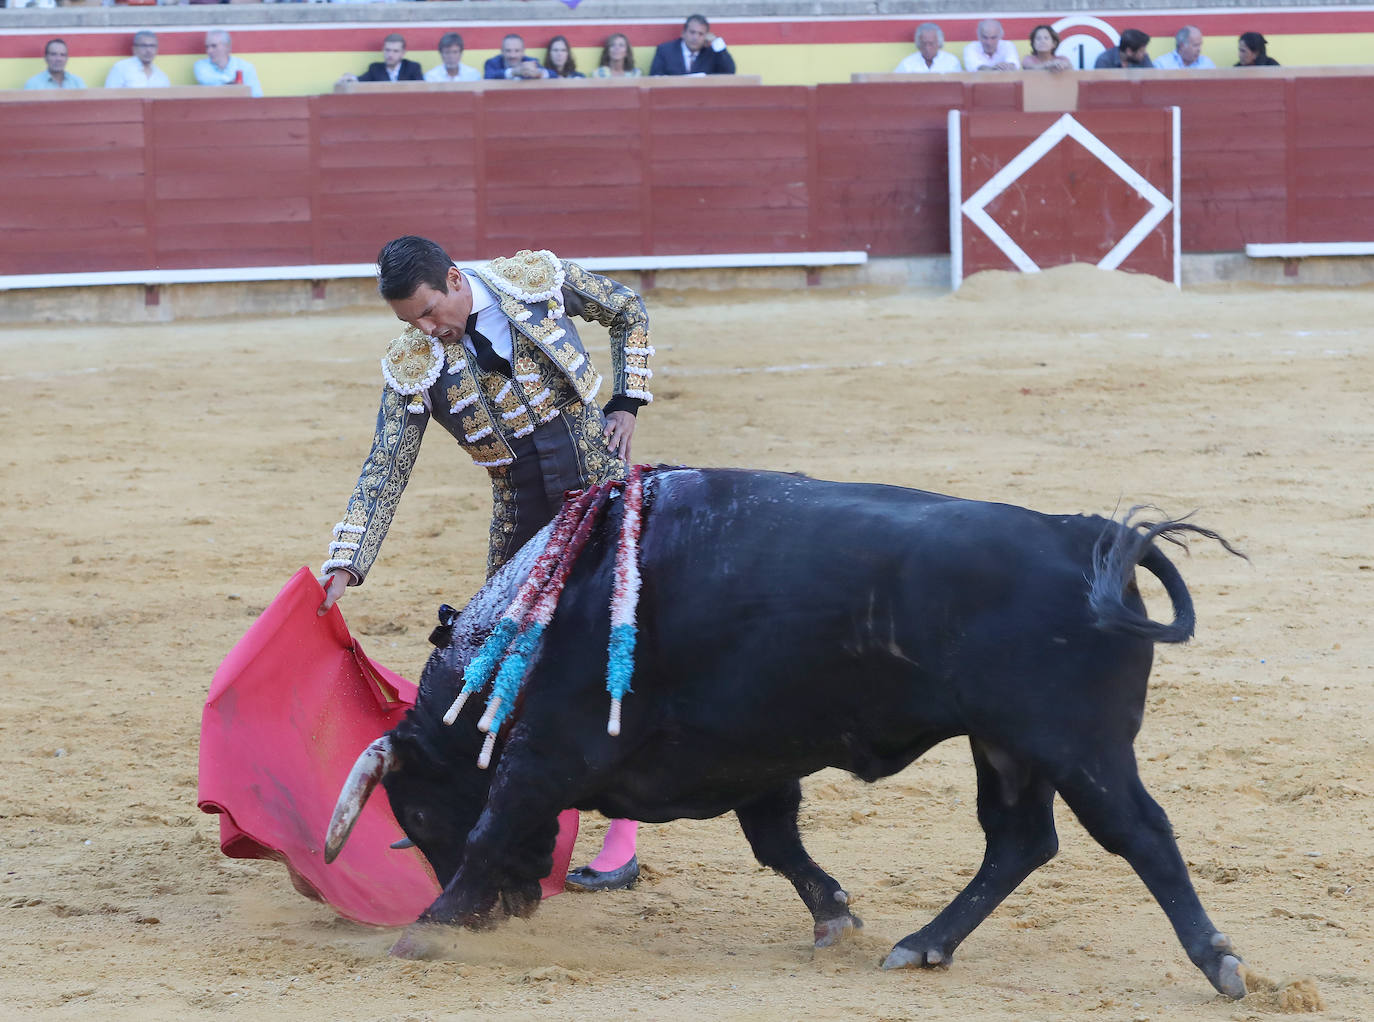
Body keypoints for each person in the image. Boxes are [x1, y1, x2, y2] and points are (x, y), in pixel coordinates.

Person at [317, 237, 654, 890]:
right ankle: (495, 812)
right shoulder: (415, 361)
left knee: (619, 646)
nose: (424, 330)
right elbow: (386, 465)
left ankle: (624, 833)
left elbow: (627, 309)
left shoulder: (532, 281)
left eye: (427, 313)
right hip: (521, 509)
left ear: (453, 280)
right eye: (409, 322)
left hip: (598, 483)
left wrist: (627, 401)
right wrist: (348, 561)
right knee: (504, 663)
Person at [649, 14, 736, 76]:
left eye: (700, 34)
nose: (695, 37)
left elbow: (729, 72)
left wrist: (716, 42)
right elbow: (655, 77)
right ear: (683, 33)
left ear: (706, 36)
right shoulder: (665, 51)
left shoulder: (711, 53)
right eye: (692, 32)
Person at [194, 30, 264, 97]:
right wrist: (232, 84)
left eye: (214, 46)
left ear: (227, 46)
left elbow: (256, 95)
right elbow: (206, 81)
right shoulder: (201, 66)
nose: (209, 51)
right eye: (207, 47)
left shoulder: (245, 67)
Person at [339, 34, 424, 85]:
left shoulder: (413, 68)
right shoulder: (375, 68)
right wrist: (350, 78)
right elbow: (361, 81)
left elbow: (422, 89)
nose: (390, 55)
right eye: (387, 50)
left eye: (395, 51)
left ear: (403, 53)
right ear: (382, 50)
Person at [104, 31, 170, 89]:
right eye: (143, 46)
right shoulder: (121, 68)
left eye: (152, 46)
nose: (148, 50)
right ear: (134, 49)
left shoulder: (161, 76)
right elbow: (109, 98)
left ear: (157, 49)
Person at [893, 23, 961, 74]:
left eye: (931, 44)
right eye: (924, 44)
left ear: (939, 43)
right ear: (918, 44)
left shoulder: (951, 62)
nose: (927, 48)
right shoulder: (907, 63)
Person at [484, 34, 552, 80]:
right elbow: (488, 76)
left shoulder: (531, 61)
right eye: (508, 51)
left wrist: (539, 74)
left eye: (517, 51)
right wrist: (513, 72)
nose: (512, 55)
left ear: (523, 52)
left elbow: (553, 74)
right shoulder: (492, 63)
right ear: (502, 51)